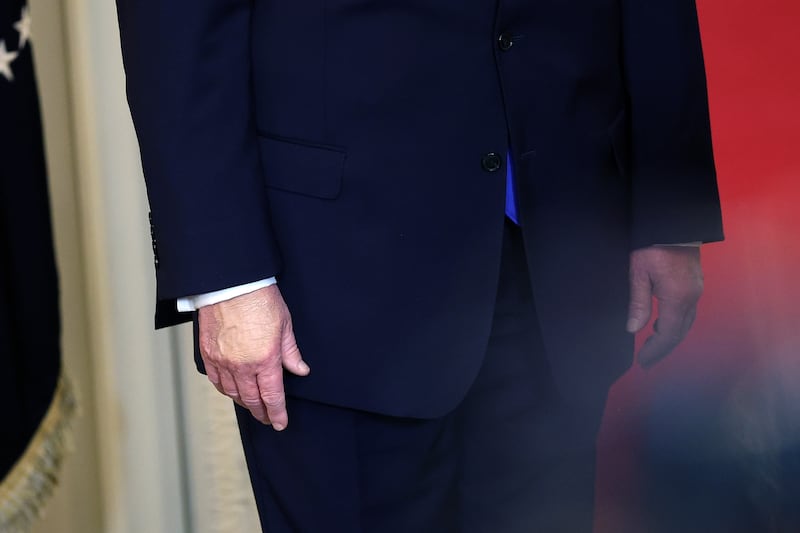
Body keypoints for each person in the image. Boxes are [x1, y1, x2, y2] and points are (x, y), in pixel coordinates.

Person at [115, 0, 723, 531]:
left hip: (562, 246)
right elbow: (175, 24)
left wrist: (668, 209)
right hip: (330, 269)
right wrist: (227, 276)